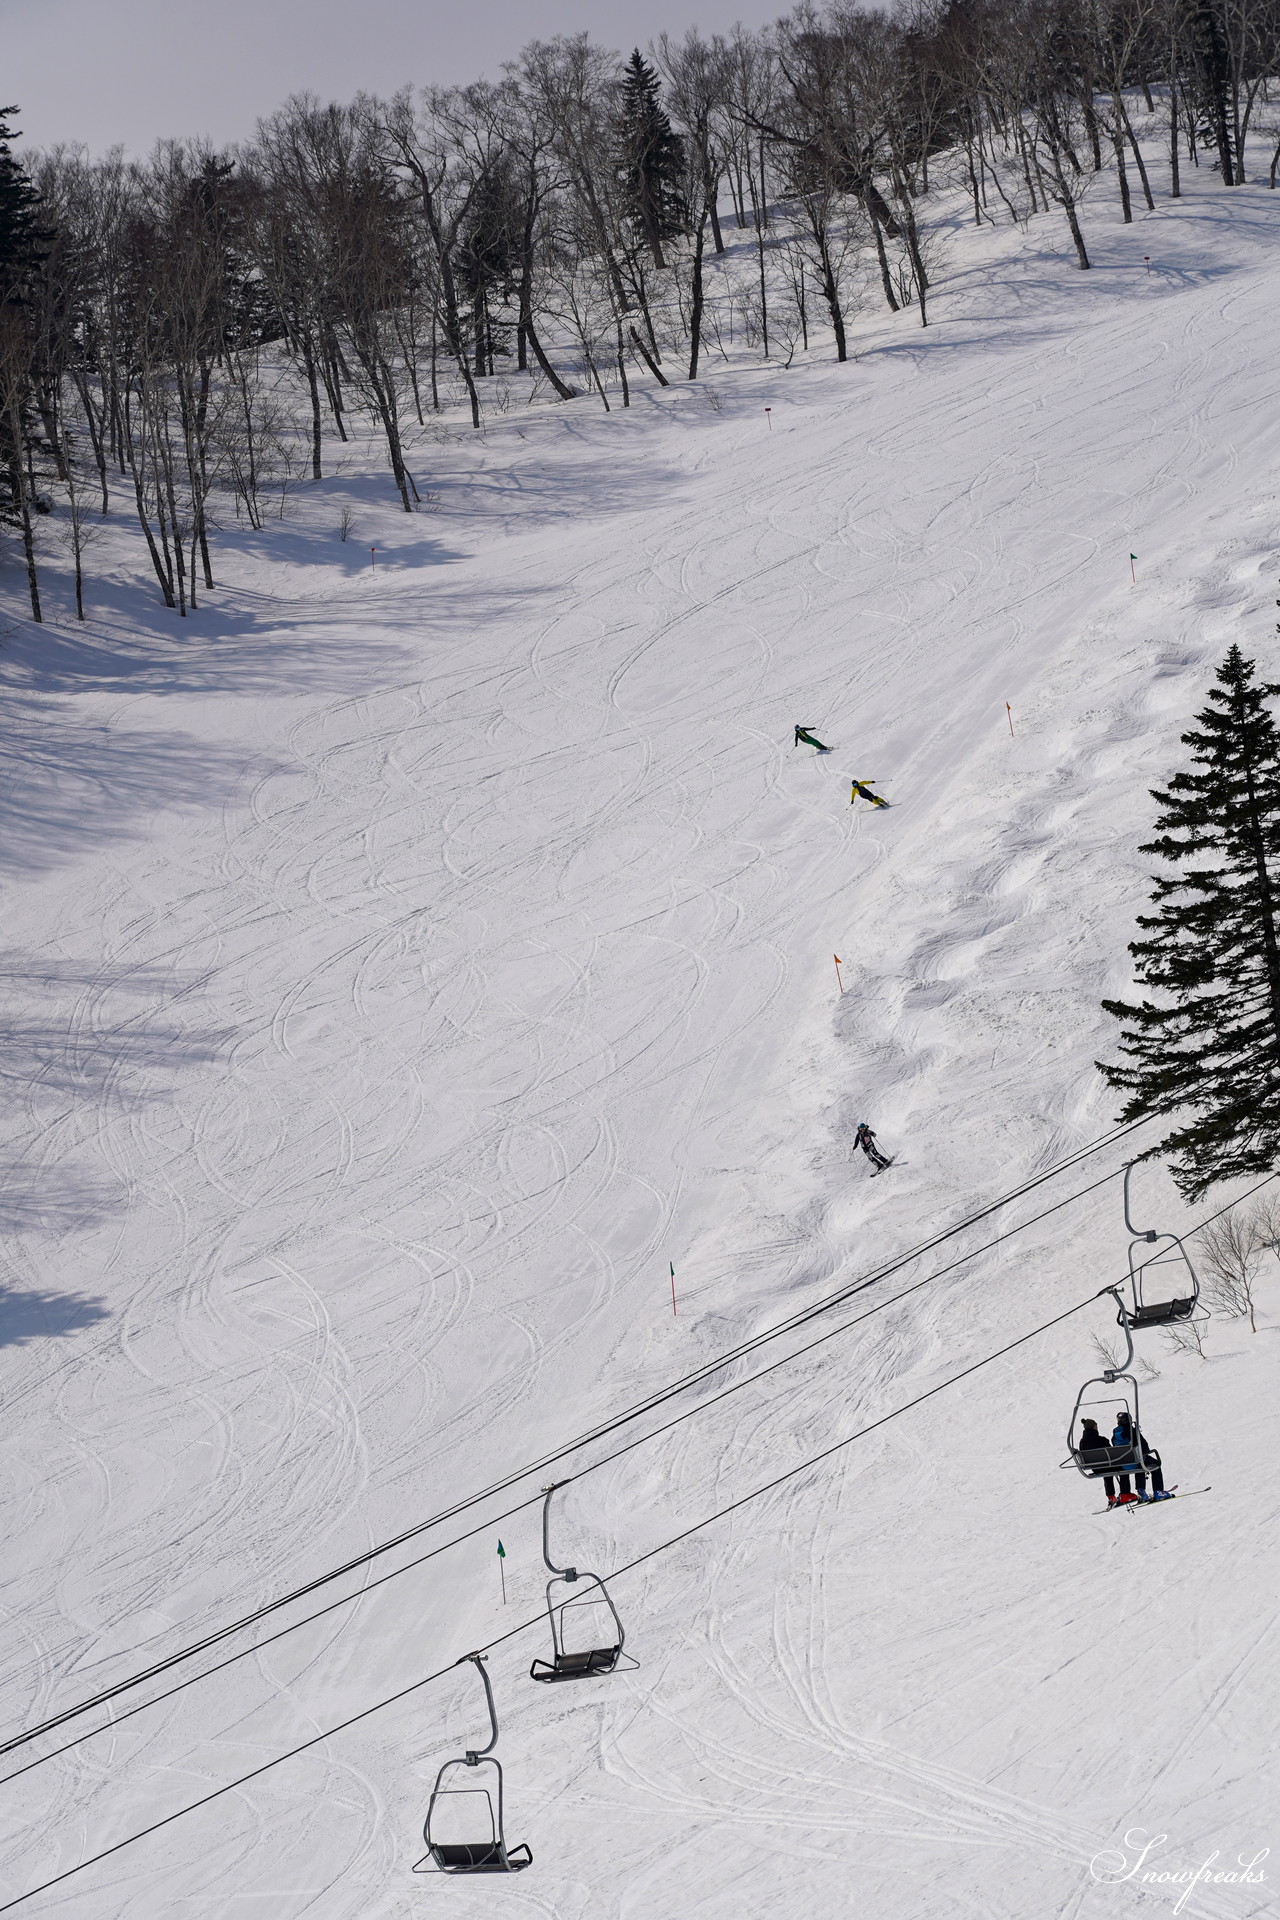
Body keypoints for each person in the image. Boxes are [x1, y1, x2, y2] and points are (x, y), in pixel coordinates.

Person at [1114, 1408, 1170, 1500]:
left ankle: (1142, 1492)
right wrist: (1145, 1452)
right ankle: (1158, 1491)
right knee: (1154, 1464)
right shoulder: (1132, 1431)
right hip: (1136, 1461)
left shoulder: (1115, 1433)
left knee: (1138, 1463)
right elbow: (1144, 1446)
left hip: (1123, 1464)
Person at [1078, 1417, 1134, 1505]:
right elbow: (1112, 1453)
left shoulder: (1082, 1442)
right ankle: (1125, 1494)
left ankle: (1111, 1497)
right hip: (1107, 1465)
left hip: (1095, 1468)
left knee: (1106, 1472)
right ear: (1094, 1427)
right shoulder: (1101, 1440)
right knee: (1122, 1469)